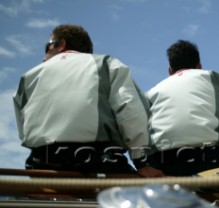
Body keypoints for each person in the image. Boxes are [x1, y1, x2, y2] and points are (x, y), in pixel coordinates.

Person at [13, 24, 164, 177]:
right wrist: (141, 162)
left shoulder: (27, 77)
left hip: (42, 163)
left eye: (47, 47)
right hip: (98, 161)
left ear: (61, 44)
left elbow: (23, 130)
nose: (43, 55)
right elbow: (131, 112)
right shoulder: (106, 64)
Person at [146, 40, 219, 176]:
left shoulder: (151, 92)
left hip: (161, 162)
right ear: (199, 66)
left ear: (170, 70)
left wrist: (143, 165)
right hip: (210, 159)